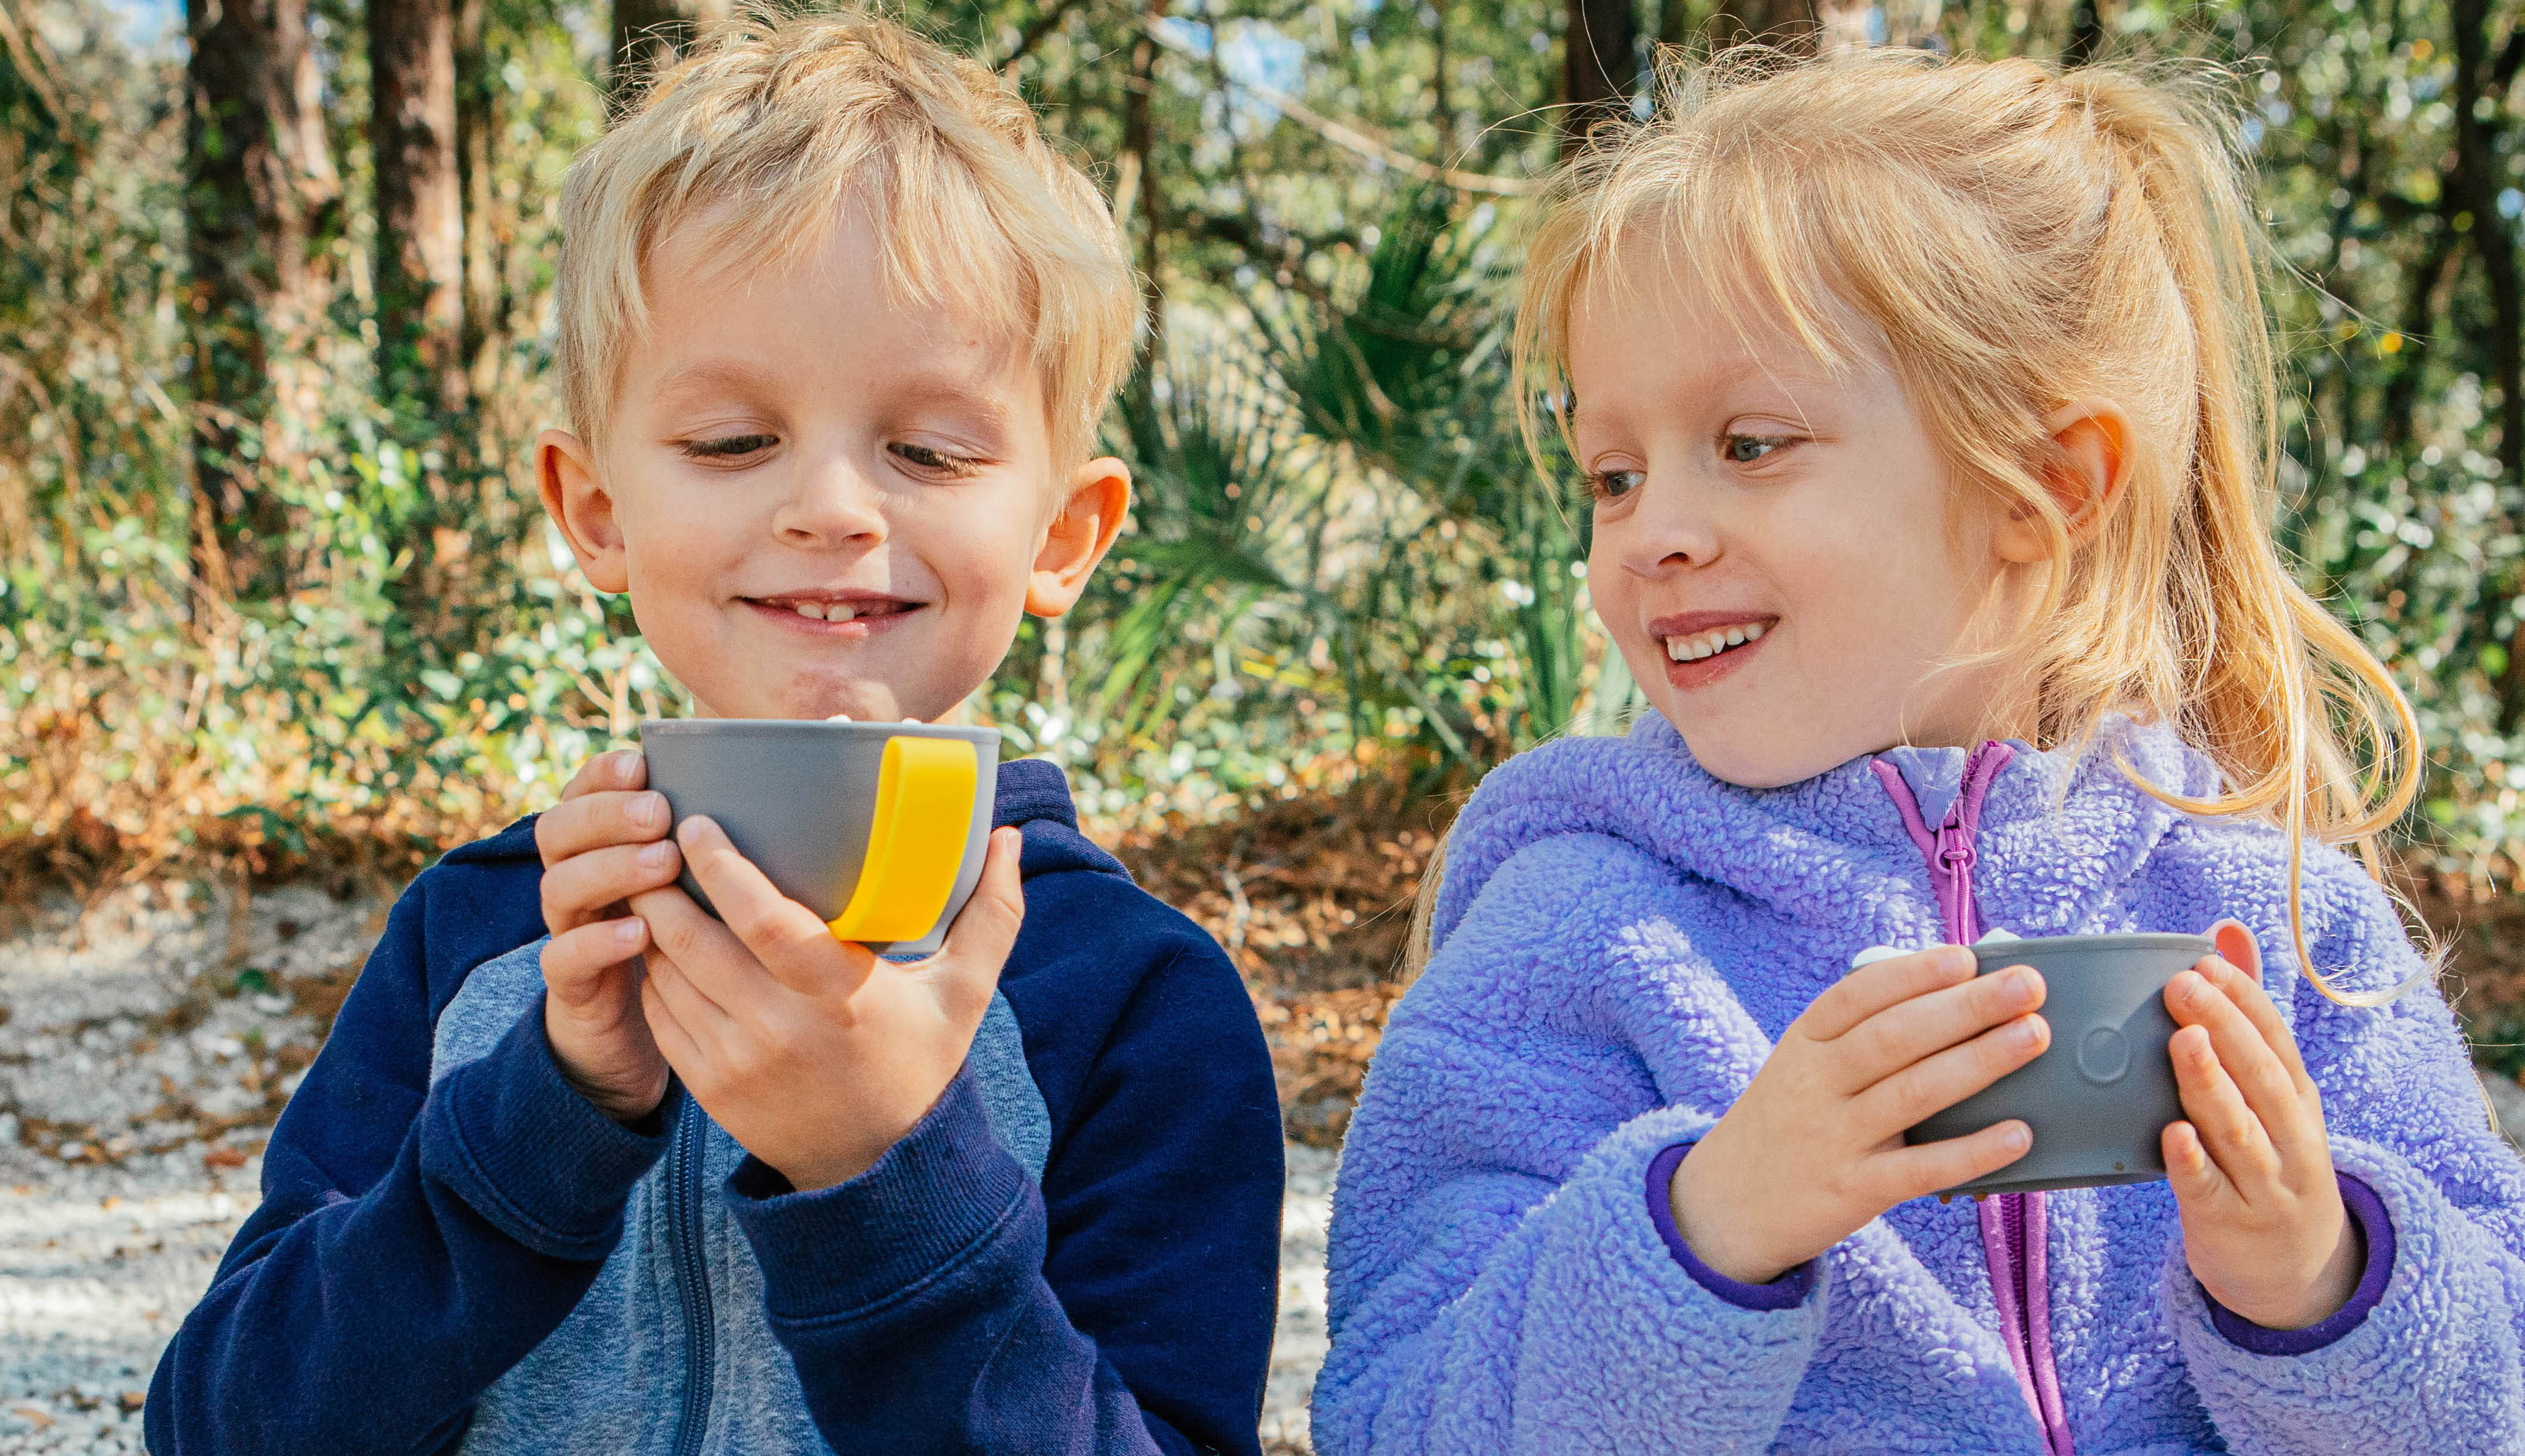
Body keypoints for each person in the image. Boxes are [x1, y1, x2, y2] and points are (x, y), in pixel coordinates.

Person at [1315, 47, 2525, 1455]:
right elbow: (1396, 1412)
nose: (1651, 530)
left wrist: (2321, 1281)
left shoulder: (2286, 924)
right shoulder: (1570, 935)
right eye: (1612, 473)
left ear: (2045, 489)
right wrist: (1704, 1228)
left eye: (1748, 442)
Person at [145, 14, 1283, 1454]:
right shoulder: (479, 941)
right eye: (733, 441)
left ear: (1062, 533)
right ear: (595, 509)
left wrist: (884, 1173)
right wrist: (547, 1116)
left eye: (926, 448)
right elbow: (225, 1424)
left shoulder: (1131, 999)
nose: (831, 505)